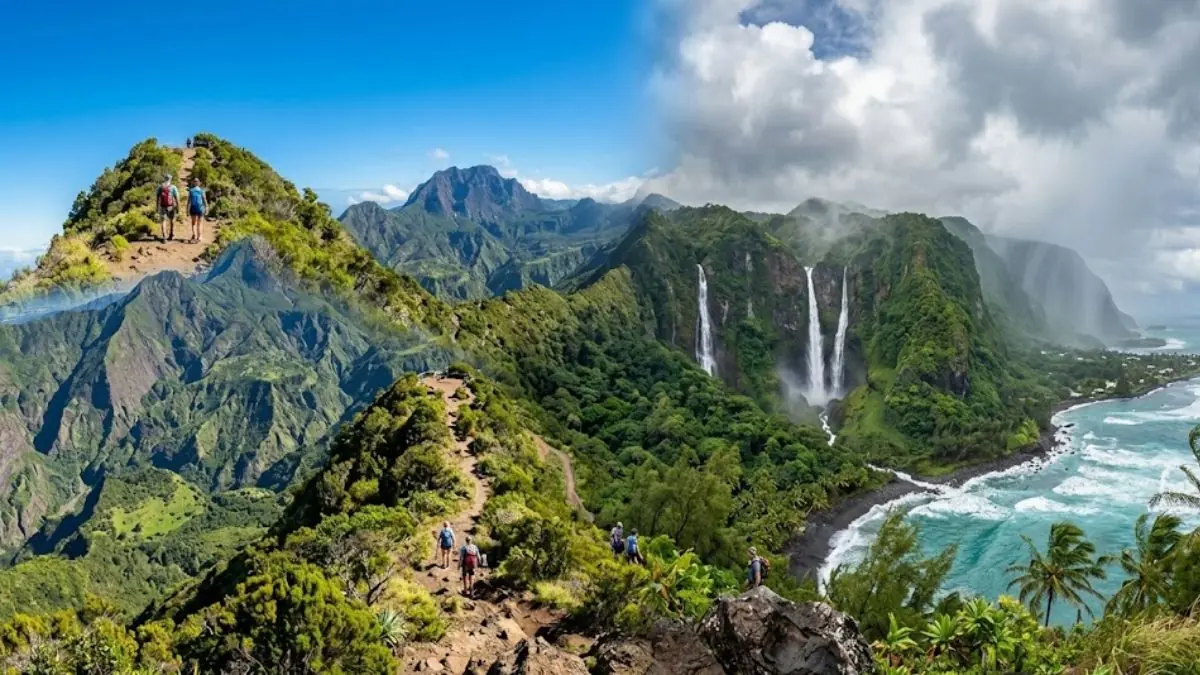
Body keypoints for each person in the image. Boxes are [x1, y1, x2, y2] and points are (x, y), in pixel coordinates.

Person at [156, 174, 179, 241]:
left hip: (163, 206)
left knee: (163, 221)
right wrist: (178, 207)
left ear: (164, 179)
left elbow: (157, 197)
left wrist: (157, 207)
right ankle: (171, 234)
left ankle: (164, 236)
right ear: (170, 179)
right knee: (172, 220)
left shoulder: (160, 187)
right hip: (171, 206)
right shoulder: (173, 187)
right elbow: (177, 198)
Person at [187, 179, 207, 243]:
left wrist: (187, 210)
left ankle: (194, 235)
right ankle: (200, 237)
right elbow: (204, 199)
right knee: (200, 223)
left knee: (193, 223)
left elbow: (189, 202)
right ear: (199, 183)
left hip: (193, 208)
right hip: (200, 208)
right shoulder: (201, 190)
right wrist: (206, 207)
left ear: (193, 183)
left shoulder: (191, 190)